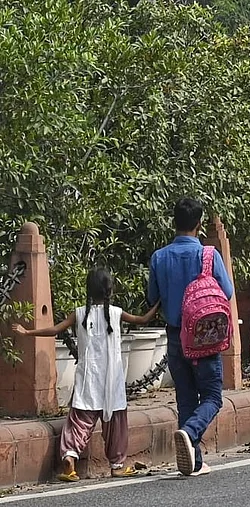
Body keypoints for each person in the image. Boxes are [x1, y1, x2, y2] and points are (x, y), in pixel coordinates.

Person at [12, 268, 159, 482]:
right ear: (110, 290)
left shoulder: (80, 313)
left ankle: (70, 458)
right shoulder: (117, 313)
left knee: (79, 422)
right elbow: (143, 319)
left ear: (88, 290)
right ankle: (117, 464)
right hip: (111, 380)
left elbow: (54, 330)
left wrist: (27, 332)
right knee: (115, 423)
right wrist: (159, 302)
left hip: (88, 378)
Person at [147, 198, 234, 477]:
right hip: (204, 339)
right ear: (198, 224)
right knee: (212, 396)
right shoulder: (208, 256)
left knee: (186, 398)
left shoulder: (159, 257)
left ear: (174, 222)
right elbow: (228, 293)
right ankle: (189, 432)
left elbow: (152, 298)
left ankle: (193, 461)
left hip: (175, 337)